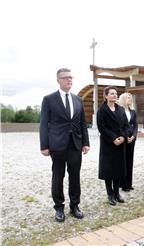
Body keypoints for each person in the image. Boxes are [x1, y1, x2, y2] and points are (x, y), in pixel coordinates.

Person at [40, 68, 90, 222]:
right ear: (58, 80)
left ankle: (75, 206)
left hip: (75, 144)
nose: (69, 80)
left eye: (71, 77)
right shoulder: (49, 99)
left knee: (75, 177)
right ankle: (59, 208)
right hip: (57, 145)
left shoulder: (78, 100)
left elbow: (82, 123)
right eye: (65, 78)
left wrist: (86, 143)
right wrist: (44, 146)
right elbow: (43, 124)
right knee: (58, 177)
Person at [97, 86, 128, 206]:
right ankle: (110, 194)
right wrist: (113, 138)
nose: (114, 95)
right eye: (111, 93)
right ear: (106, 96)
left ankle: (117, 193)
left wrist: (123, 137)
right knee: (108, 170)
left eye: (116, 94)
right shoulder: (102, 110)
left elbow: (126, 126)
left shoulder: (120, 109)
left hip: (120, 143)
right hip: (108, 144)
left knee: (118, 169)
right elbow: (102, 127)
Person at [118, 92, 138, 192]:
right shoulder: (120, 111)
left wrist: (133, 136)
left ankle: (129, 184)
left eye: (131, 98)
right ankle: (123, 184)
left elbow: (135, 125)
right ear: (123, 99)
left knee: (130, 161)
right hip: (123, 139)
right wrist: (126, 137)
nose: (130, 99)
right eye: (128, 98)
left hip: (131, 140)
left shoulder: (133, 111)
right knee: (123, 162)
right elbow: (120, 126)